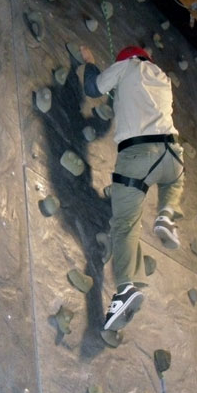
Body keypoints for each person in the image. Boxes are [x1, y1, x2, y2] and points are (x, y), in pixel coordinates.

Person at [80, 45, 185, 332]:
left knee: (125, 224)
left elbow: (92, 88)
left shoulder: (126, 66)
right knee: (174, 179)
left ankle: (126, 288)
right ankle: (166, 214)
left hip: (138, 155)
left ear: (126, 59)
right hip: (171, 155)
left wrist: (90, 61)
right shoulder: (162, 78)